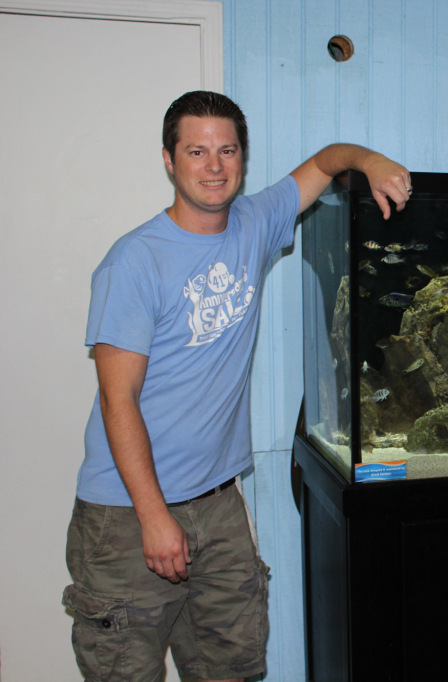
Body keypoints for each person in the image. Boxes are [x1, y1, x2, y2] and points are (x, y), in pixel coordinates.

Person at [63, 90, 411, 682]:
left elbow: (328, 160)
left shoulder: (255, 221)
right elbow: (117, 398)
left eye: (227, 150)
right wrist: (154, 517)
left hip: (218, 506)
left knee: (234, 669)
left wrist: (370, 160)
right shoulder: (135, 261)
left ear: (242, 159)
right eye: (197, 151)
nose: (215, 166)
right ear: (170, 160)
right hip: (127, 512)